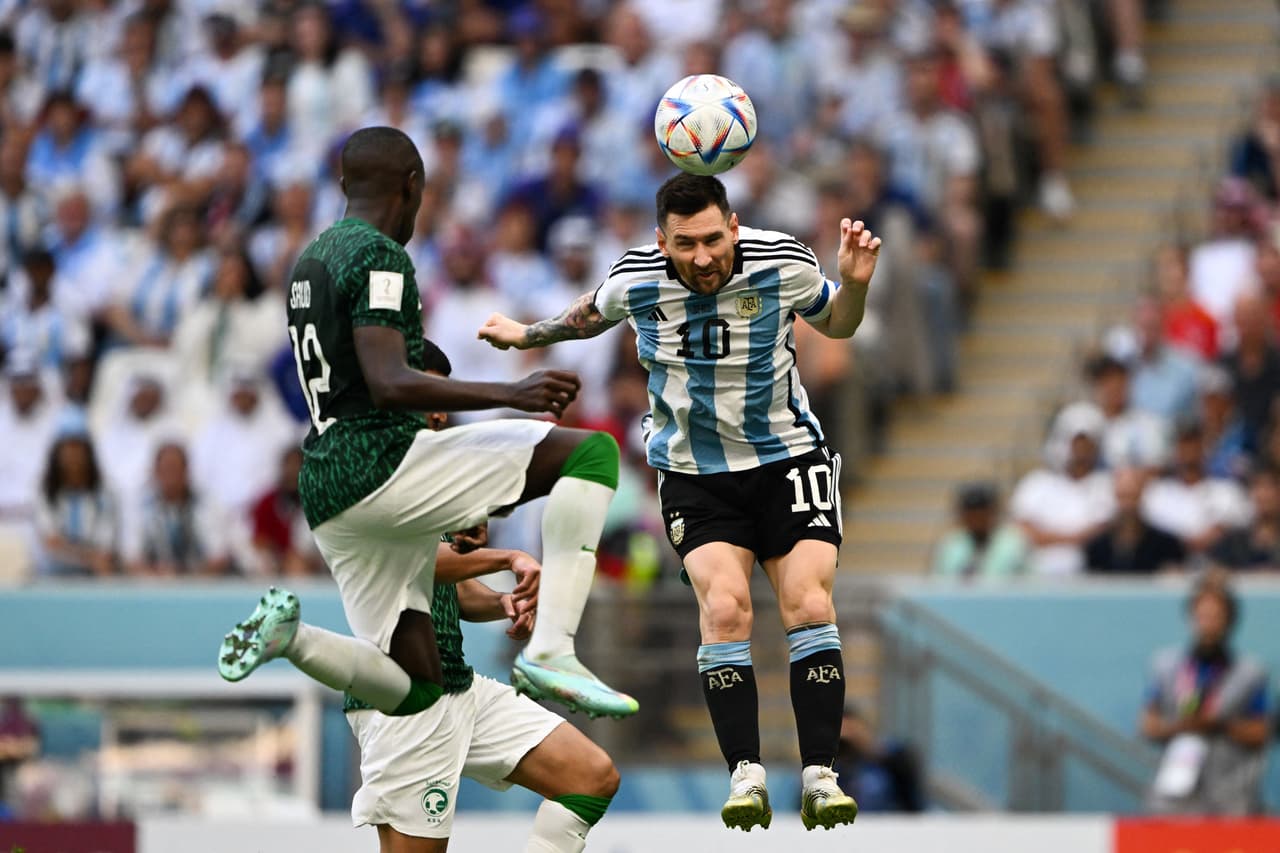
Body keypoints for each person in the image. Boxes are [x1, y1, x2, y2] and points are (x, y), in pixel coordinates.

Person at [219, 128, 635, 765]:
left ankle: (294, 638)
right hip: (381, 462)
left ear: (342, 187)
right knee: (591, 454)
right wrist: (512, 392)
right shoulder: (379, 254)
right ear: (412, 186)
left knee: (415, 687)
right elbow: (388, 382)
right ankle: (552, 646)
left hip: (327, 486)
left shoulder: (309, 261)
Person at [479, 173, 880, 832]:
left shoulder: (782, 260)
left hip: (788, 457)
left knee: (809, 602)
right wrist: (526, 335)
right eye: (685, 243)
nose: (702, 257)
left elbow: (838, 325)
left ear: (735, 225)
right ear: (661, 241)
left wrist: (856, 283)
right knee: (724, 605)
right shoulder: (637, 278)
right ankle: (746, 772)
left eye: (714, 239)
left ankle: (820, 773)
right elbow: (587, 315)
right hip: (697, 473)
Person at [342, 340, 619, 852]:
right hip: (403, 702)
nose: (438, 407)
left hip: (459, 685)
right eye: (422, 391)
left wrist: (501, 602)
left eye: (441, 394)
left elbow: (450, 589)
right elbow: (420, 564)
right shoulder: (364, 472)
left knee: (590, 775)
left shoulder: (437, 475)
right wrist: (506, 559)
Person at [1140, 574, 1270, 814]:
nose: (1209, 624)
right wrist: (1183, 726)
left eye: (1216, 617)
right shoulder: (1166, 666)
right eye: (1203, 616)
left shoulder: (1251, 673)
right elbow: (1149, 726)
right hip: (1175, 796)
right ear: (1191, 617)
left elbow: (1261, 732)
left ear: (1230, 621)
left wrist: (1219, 724)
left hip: (1232, 796)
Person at [931, 482, 1027, 578]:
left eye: (982, 515)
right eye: (972, 515)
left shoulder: (1013, 544)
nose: (977, 521)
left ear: (993, 513)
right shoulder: (951, 546)